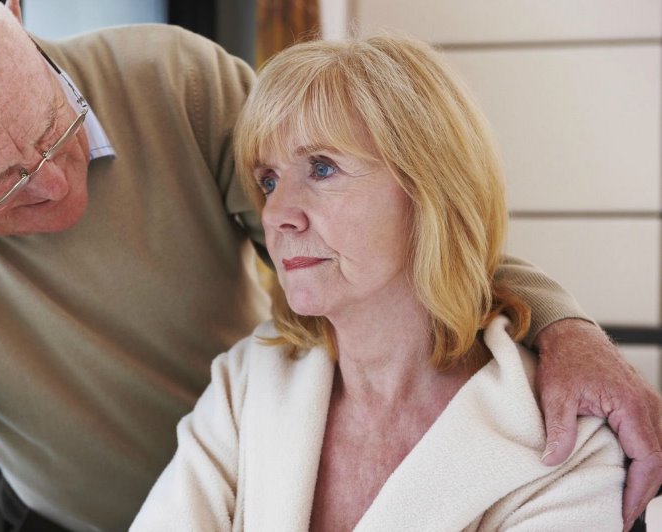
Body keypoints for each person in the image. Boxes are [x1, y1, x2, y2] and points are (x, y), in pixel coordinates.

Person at [0, 0, 659, 530]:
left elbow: (390, 236)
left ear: (17, 15)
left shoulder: (174, 79)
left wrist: (561, 325)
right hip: (71, 513)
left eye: (54, 129)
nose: (56, 184)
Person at [132, 35, 627, 531]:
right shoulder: (246, 382)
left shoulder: (561, 440)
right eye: (269, 180)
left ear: (430, 187)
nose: (276, 213)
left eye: (322, 168)